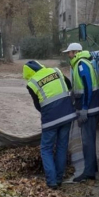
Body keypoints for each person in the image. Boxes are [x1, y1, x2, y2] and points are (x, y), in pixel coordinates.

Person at [23, 60, 77, 189]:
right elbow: (69, 85)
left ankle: (51, 181)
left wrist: (48, 112)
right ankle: (59, 179)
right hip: (67, 114)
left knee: (46, 149)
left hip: (50, 119)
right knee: (62, 146)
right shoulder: (55, 70)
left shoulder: (32, 83)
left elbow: (37, 105)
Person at [62, 43, 99, 182]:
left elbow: (87, 87)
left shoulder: (81, 64)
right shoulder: (81, 63)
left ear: (75, 52)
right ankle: (92, 168)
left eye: (69, 52)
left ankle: (89, 173)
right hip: (92, 108)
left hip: (90, 109)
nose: (68, 55)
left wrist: (84, 109)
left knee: (87, 141)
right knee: (89, 139)